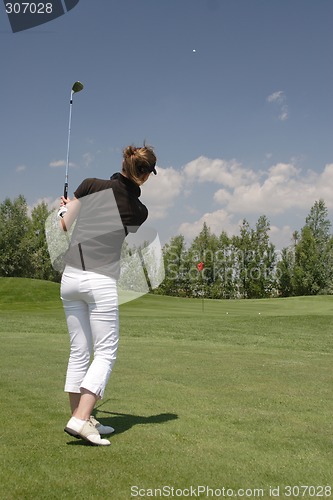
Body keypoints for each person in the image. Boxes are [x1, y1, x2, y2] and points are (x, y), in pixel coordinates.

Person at [59, 143, 157, 446]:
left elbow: (64, 225)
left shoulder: (90, 185)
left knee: (80, 350)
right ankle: (79, 419)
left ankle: (84, 416)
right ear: (145, 174)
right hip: (99, 281)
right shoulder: (140, 211)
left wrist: (64, 207)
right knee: (105, 351)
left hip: (71, 278)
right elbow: (120, 218)